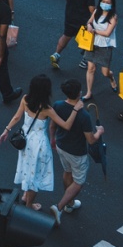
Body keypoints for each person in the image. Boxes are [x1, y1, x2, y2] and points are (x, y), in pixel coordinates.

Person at [0, 74, 82, 211]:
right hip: (39, 145)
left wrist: (6, 130)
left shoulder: (25, 99)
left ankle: (25, 196)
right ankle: (30, 203)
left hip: (26, 140)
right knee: (36, 174)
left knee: (28, 169)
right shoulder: (46, 109)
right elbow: (66, 125)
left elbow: (17, 116)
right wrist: (76, 109)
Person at [48, 79, 98, 224]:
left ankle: (70, 204)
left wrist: (53, 140)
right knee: (79, 182)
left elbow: (52, 126)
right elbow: (91, 140)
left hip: (61, 146)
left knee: (67, 172)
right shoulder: (84, 116)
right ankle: (59, 207)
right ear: (79, 93)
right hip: (77, 152)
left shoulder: (57, 105)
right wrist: (99, 132)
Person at [51, 0, 95, 70]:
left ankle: (56, 54)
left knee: (66, 36)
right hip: (83, 20)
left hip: (69, 16)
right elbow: (92, 10)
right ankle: (84, 60)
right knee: (88, 39)